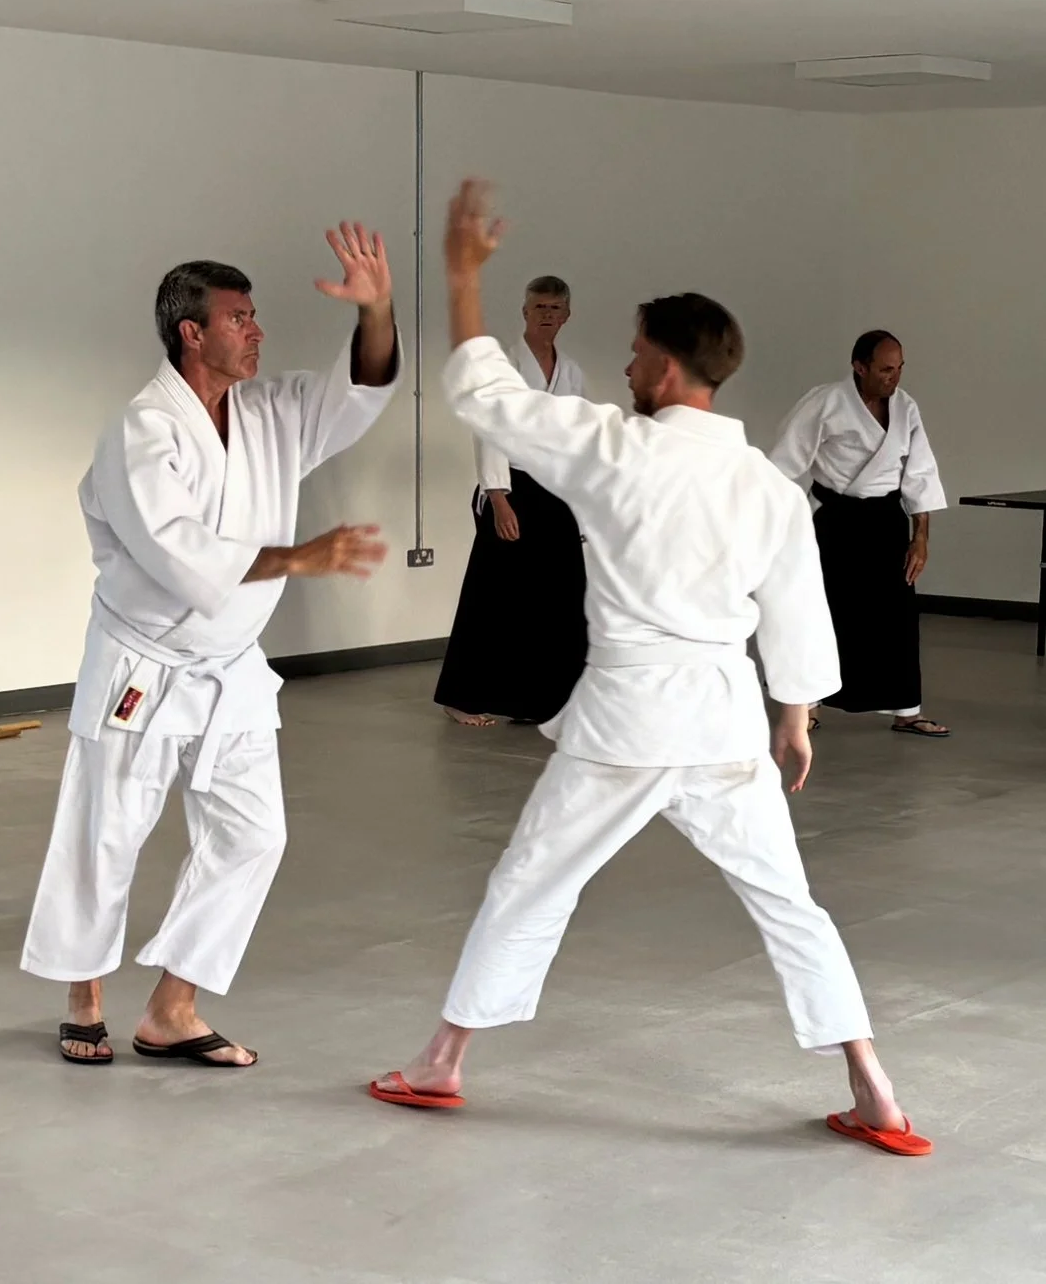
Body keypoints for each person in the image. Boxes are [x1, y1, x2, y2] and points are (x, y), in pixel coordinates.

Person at [369, 181, 931, 1159]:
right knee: (788, 903)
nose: (624, 366)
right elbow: (796, 611)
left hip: (625, 722)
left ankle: (443, 1061)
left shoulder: (615, 449)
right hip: (722, 724)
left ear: (666, 370)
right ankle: (872, 1082)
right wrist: (794, 715)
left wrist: (462, 277)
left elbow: (483, 396)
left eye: (632, 353)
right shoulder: (763, 484)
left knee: (530, 881)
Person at [22, 225, 400, 1067]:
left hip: (229, 669)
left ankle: (172, 1007)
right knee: (106, 834)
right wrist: (300, 558)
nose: (257, 330)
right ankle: (84, 994)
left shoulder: (272, 410)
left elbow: (362, 388)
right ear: (192, 332)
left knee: (254, 836)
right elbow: (175, 548)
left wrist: (376, 308)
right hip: (144, 662)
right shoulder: (141, 429)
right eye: (240, 318)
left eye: (255, 315)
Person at [771, 333, 949, 738]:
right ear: (859, 366)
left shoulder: (905, 408)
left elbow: (920, 473)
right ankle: (809, 706)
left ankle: (907, 711)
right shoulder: (825, 402)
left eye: (900, 367)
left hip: (886, 520)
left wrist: (921, 537)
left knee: (896, 617)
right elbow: (784, 461)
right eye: (886, 369)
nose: (895, 377)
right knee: (822, 612)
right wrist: (777, 524)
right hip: (834, 517)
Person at [434, 276, 588, 727]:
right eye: (539, 306)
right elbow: (489, 429)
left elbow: (577, 437)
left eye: (555, 308)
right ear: (525, 312)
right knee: (494, 593)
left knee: (561, 595)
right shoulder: (502, 364)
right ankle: (461, 696)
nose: (547, 315)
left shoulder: (571, 371)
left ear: (566, 315)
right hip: (511, 487)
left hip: (556, 488)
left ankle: (547, 701)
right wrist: (499, 497)